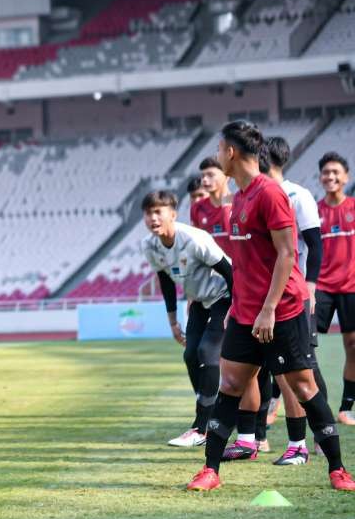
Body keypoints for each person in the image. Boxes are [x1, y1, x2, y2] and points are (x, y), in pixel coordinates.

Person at [186, 121, 354, 492]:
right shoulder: (239, 199)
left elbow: (287, 254)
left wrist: (269, 308)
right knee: (230, 383)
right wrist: (239, 304)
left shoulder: (269, 193)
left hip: (284, 310)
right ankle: (210, 470)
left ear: (230, 152)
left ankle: (338, 470)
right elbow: (246, 262)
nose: (216, 157)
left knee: (303, 386)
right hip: (247, 311)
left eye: (219, 150)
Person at [223, 137, 325, 466]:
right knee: (248, 374)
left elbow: (308, 247)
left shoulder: (294, 195)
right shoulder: (245, 196)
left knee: (292, 375)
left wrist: (309, 288)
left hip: (287, 300)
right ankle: (251, 439)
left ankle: (302, 443)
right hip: (253, 303)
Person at [140, 190, 233, 448]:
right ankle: (209, 409)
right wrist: (172, 321)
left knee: (207, 352)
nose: (153, 218)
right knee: (190, 355)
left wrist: (237, 308)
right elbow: (166, 283)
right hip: (199, 303)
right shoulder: (149, 245)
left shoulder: (194, 239)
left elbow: (229, 271)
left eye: (158, 212)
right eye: (148, 213)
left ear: (173, 214)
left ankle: (201, 428)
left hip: (225, 297)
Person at [315, 151, 355, 425]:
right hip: (320, 288)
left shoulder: (353, 207)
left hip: (351, 287)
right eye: (326, 172)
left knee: (353, 346)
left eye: (335, 172)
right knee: (303, 345)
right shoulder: (314, 210)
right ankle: (286, 402)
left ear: (345, 177)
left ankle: (346, 408)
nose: (330, 176)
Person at [190, 158, 234, 256]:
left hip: (239, 267)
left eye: (210, 175)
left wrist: (226, 207)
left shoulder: (240, 203)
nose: (204, 179)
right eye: (203, 176)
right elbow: (196, 243)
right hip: (211, 268)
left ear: (227, 176)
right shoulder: (196, 208)